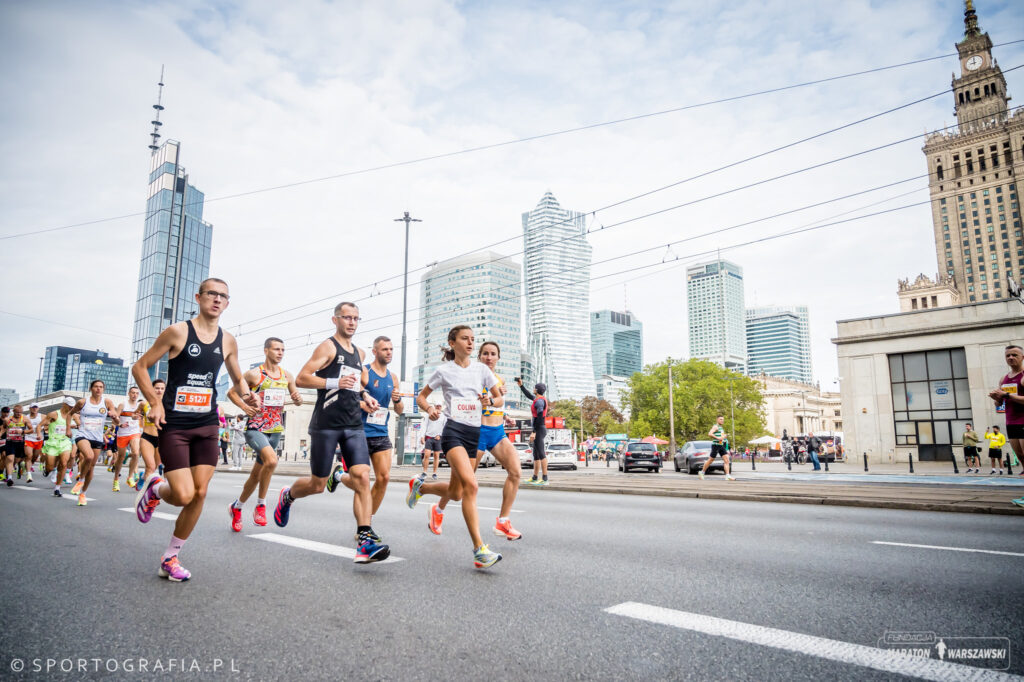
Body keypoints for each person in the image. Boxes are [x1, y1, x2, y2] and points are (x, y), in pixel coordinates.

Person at [132, 277, 256, 582]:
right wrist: (154, 402)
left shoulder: (228, 340)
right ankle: (155, 489)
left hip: (207, 424)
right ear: (199, 297)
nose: (216, 299)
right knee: (184, 494)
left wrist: (246, 393)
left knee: (200, 493)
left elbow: (237, 376)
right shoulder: (178, 332)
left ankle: (170, 557)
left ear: (228, 303)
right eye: (211, 294)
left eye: (223, 296)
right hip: (175, 424)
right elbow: (140, 366)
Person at [274, 301, 389, 564]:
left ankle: (364, 540)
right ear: (335, 320)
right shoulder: (327, 347)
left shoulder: (359, 353)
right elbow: (302, 378)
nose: (351, 322)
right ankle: (288, 496)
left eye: (356, 318)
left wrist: (366, 396)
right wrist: (333, 382)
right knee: (317, 484)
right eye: (346, 317)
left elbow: (356, 385)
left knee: (362, 477)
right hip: (326, 424)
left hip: (353, 424)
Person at [406, 325, 504, 569]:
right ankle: (479, 549)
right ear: (452, 343)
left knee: (458, 492)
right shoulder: (444, 371)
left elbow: (500, 397)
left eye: (472, 339)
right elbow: (421, 396)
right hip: (453, 432)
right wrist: (430, 409)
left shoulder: (482, 369)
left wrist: (490, 400)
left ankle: (422, 488)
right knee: (471, 485)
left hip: (474, 432)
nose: (470, 343)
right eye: (465, 339)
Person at [426, 340, 522, 540]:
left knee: (515, 472)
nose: (489, 357)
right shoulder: (473, 374)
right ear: (479, 356)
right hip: (476, 432)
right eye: (485, 353)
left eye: (493, 354)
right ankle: (438, 509)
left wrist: (504, 414)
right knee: (460, 489)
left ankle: (503, 521)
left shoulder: (500, 380)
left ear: (498, 357)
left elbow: (498, 403)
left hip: (497, 432)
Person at [326, 335, 402, 528]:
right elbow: (346, 397)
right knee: (363, 482)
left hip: (381, 432)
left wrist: (398, 400)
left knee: (383, 479)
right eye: (385, 349)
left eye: (391, 349)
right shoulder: (365, 372)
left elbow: (399, 411)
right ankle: (339, 477)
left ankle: (368, 519)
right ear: (375, 352)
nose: (389, 352)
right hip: (357, 431)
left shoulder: (393, 378)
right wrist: (362, 403)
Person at [228, 337, 302, 532]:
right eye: (276, 349)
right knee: (271, 461)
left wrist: (297, 398)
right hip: (256, 428)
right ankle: (261, 505)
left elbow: (297, 401)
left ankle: (237, 507)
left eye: (283, 350)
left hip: (275, 429)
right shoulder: (254, 375)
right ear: (266, 351)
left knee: (255, 475)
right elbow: (231, 393)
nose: (280, 353)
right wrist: (245, 406)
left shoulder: (287, 376)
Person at [68, 381, 120, 505]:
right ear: (91, 388)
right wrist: (68, 429)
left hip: (97, 438)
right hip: (83, 435)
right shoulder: (83, 402)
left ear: (103, 389)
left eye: (101, 387)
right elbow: (70, 414)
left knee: (91, 468)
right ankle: (80, 480)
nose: (98, 389)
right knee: (89, 456)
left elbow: (117, 421)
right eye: (96, 386)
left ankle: (83, 494)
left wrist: (114, 417)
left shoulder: (107, 402)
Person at [989, 345, 1024, 482]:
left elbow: (1007, 396)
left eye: (1014, 355)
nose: (1010, 357)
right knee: (1021, 456)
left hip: (1023, 421)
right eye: (1008, 355)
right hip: (1011, 422)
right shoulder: (1004, 378)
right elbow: (999, 403)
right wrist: (997, 399)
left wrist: (1007, 395)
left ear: (1022, 357)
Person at [38, 397, 77, 497]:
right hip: (52, 443)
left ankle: (57, 488)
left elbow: (80, 424)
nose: (71, 408)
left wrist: (77, 426)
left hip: (65, 442)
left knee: (64, 464)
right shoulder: (53, 414)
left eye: (73, 407)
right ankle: (47, 470)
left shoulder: (73, 415)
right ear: (64, 404)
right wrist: (39, 434)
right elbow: (39, 426)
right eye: (70, 406)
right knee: (50, 467)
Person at [516, 379, 549, 485]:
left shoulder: (540, 401)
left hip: (539, 428)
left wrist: (534, 431)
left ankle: (545, 479)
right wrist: (521, 386)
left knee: (541, 453)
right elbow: (529, 395)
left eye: (535, 387)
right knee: (536, 455)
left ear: (537, 389)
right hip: (538, 428)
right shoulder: (537, 398)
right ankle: (535, 477)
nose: (533, 389)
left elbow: (540, 416)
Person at [112, 386, 145, 491]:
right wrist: (120, 424)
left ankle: (130, 477)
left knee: (135, 453)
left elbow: (141, 418)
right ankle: (116, 480)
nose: (134, 395)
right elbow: (115, 419)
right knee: (121, 458)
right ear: (129, 393)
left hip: (134, 432)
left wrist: (138, 418)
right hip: (122, 433)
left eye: (136, 393)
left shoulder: (140, 405)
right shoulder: (123, 404)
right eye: (133, 393)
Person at [139, 379, 165, 485]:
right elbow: (135, 414)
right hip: (147, 437)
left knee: (157, 465)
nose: (159, 390)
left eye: (162, 388)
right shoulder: (144, 403)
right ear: (152, 389)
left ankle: (143, 476)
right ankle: (149, 496)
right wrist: (136, 416)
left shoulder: (168, 404)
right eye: (157, 388)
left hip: (161, 439)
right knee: (151, 466)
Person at [3, 404, 32, 487]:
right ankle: (9, 478)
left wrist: (22, 432)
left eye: (20, 412)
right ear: (13, 412)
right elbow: (4, 427)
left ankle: (17, 466)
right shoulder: (8, 419)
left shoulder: (25, 419)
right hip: (10, 442)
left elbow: (31, 430)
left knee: (16, 460)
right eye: (17, 412)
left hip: (20, 442)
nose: (19, 414)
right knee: (10, 459)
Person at [699, 415, 735, 480]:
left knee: (726, 460)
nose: (722, 420)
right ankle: (702, 472)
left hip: (721, 445)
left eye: (723, 419)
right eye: (721, 419)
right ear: (717, 420)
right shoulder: (716, 426)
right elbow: (710, 433)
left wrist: (724, 436)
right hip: (716, 445)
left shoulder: (721, 428)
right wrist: (718, 438)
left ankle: (727, 476)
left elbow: (721, 436)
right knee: (710, 460)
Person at [421, 411, 445, 479]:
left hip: (437, 438)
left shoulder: (443, 416)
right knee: (426, 455)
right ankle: (424, 472)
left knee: (436, 456)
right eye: (437, 406)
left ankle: (434, 473)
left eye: (439, 406)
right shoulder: (429, 414)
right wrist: (422, 436)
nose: (438, 407)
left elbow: (445, 426)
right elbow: (424, 425)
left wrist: (440, 435)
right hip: (429, 437)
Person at [24, 403, 44, 483]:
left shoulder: (42, 416)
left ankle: (29, 466)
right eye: (33, 407)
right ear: (30, 408)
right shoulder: (26, 417)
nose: (34, 409)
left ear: (38, 408)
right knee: (29, 455)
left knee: (35, 457)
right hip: (28, 438)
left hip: (38, 439)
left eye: (36, 407)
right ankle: (29, 475)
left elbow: (49, 423)